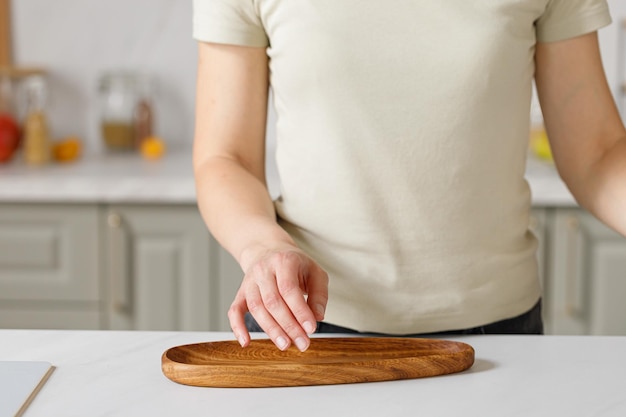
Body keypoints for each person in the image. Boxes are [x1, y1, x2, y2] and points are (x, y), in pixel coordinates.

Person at [192, 0, 626, 352]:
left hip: (496, 333)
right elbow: (226, 157)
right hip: (307, 326)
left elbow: (598, 152)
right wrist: (264, 248)